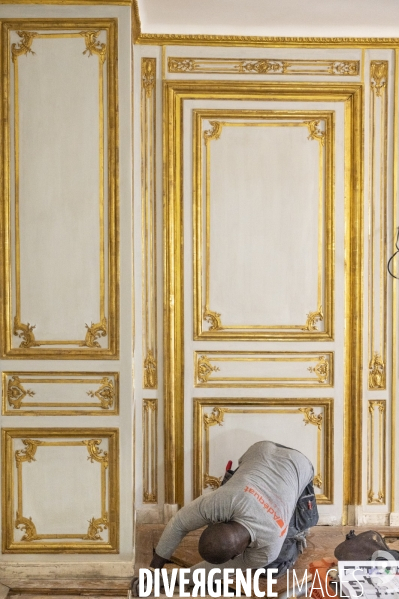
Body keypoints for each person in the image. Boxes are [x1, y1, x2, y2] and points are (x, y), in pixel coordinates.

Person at [131, 440, 318, 595]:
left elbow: (213, 571)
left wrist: (165, 580)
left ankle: (299, 533)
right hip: (261, 450)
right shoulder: (221, 501)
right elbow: (178, 523)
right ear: (218, 521)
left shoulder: (268, 549)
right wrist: (153, 571)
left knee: (272, 569)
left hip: (300, 465)